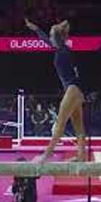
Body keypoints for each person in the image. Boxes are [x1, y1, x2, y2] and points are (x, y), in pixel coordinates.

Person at [25, 18, 86, 162]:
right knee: (78, 127)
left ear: (57, 38)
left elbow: (78, 71)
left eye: (52, 36)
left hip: (73, 88)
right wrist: (35, 29)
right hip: (75, 90)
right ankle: (81, 156)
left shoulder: (65, 52)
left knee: (60, 122)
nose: (50, 38)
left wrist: (80, 89)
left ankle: (47, 154)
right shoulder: (61, 49)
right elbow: (46, 39)